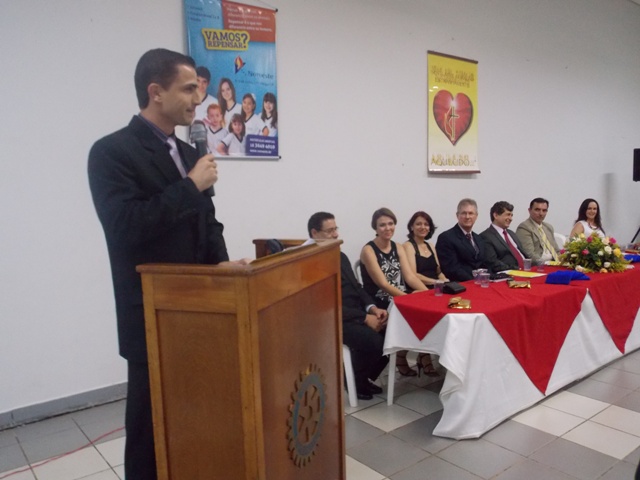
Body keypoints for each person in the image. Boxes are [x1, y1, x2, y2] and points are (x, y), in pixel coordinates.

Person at [87, 48, 248, 480]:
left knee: (195, 418)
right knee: (149, 432)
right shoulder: (111, 152)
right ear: (155, 92)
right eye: (189, 88)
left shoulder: (188, 151)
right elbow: (125, 226)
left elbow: (207, 221)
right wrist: (190, 186)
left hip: (201, 309)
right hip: (151, 314)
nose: (199, 98)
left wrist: (220, 265)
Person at [307, 212, 389, 400]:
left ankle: (362, 377)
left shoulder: (340, 256)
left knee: (392, 335)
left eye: (336, 229)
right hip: (335, 319)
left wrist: (372, 308)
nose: (336, 234)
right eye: (330, 231)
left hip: (356, 312)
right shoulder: (310, 263)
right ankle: (354, 380)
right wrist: (364, 318)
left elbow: (357, 287)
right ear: (314, 233)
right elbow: (324, 306)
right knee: (375, 342)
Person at [360, 208, 428, 376]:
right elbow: (382, 284)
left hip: (401, 296)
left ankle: (414, 355)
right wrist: (408, 299)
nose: (387, 228)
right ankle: (404, 356)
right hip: (380, 301)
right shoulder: (368, 250)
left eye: (391, 224)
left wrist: (426, 294)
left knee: (429, 310)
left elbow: (410, 277)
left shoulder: (397, 247)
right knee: (417, 315)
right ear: (375, 228)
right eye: (382, 225)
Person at [436, 198, 487, 281]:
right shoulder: (446, 238)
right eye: (464, 213)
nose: (467, 217)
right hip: (461, 284)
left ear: (476, 216)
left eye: (471, 213)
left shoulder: (479, 239)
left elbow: (484, 263)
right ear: (457, 215)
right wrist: (474, 281)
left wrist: (490, 277)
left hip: (480, 282)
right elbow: (451, 269)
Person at [480, 201, 532, 272]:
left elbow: (523, 254)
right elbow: (493, 262)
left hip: (528, 270)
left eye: (511, 215)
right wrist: (517, 269)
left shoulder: (512, 233)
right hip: (510, 273)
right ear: (496, 215)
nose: (510, 218)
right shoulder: (486, 236)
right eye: (507, 215)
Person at [515, 197, 561, 264]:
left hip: (554, 263)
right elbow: (529, 254)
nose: (541, 213)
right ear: (529, 210)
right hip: (539, 265)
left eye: (544, 210)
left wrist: (563, 261)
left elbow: (556, 251)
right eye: (537, 210)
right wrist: (546, 263)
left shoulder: (548, 227)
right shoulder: (524, 227)